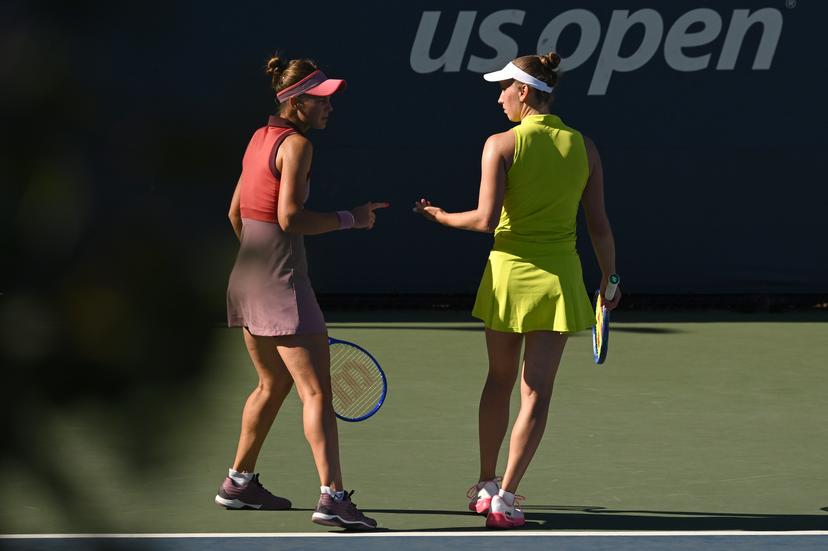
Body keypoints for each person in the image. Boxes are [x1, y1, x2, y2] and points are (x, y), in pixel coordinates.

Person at [414, 52, 620, 529]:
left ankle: (486, 484)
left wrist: (441, 217)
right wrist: (610, 280)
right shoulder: (585, 147)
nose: (500, 95)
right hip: (558, 281)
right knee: (537, 393)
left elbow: (485, 220)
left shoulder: (500, 144)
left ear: (524, 91)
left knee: (499, 381)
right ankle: (505, 498)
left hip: (508, 279)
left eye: (505, 87)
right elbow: (600, 226)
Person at [217, 54, 388, 530]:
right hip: (284, 287)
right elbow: (290, 218)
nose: (330, 106)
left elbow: (236, 214)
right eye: (322, 99)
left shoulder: (258, 139)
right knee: (317, 392)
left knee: (272, 384)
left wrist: (261, 261)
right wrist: (351, 219)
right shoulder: (296, 147)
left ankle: (238, 482)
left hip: (246, 282)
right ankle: (333, 497)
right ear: (296, 102)